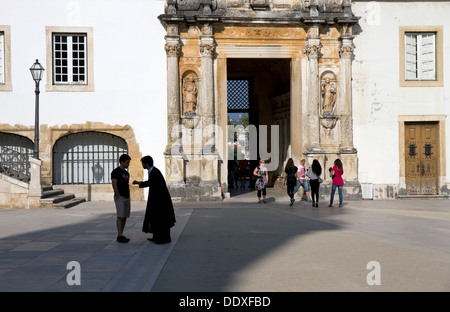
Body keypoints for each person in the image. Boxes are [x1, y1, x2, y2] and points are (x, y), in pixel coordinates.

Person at [133, 155, 176, 244]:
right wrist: (139, 183)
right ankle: (157, 237)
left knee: (161, 219)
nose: (142, 165)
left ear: (146, 164)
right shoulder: (152, 171)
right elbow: (151, 183)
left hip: (160, 201)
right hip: (157, 200)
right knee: (156, 218)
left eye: (142, 163)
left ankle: (163, 238)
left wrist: (139, 183)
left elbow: (150, 183)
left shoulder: (154, 172)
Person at [111, 154, 132, 243]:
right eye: (127, 162)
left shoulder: (127, 173)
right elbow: (114, 183)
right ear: (122, 162)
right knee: (120, 216)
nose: (128, 164)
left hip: (127, 196)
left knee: (125, 216)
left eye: (129, 162)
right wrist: (118, 195)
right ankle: (119, 235)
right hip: (120, 197)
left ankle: (122, 234)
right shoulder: (116, 172)